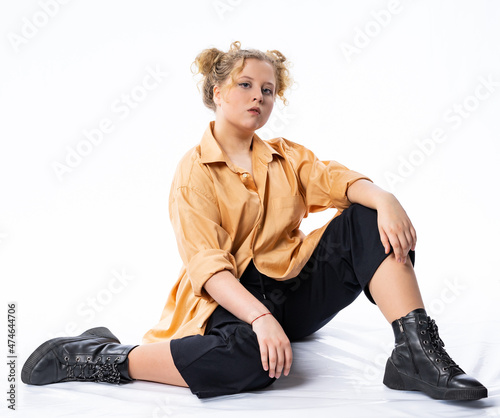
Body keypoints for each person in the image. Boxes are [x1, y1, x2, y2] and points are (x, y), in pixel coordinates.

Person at [22, 41, 487, 401]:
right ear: (217, 92)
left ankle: (415, 354)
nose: (258, 97)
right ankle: (99, 356)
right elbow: (208, 267)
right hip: (233, 297)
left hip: (293, 289)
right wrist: (261, 318)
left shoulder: (285, 156)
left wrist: (385, 197)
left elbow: (334, 180)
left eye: (267, 90)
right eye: (245, 85)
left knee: (366, 217)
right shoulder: (194, 173)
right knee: (250, 363)